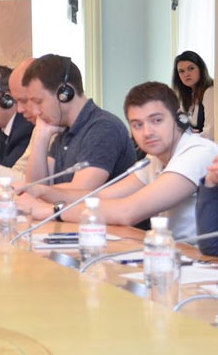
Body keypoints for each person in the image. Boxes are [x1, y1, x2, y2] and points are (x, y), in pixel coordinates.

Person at [19, 82, 218, 239]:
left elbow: (128, 211)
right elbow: (100, 197)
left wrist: (48, 210)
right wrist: (42, 191)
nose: (147, 132)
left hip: (203, 263)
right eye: (137, 125)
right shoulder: (154, 160)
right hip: (172, 256)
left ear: (180, 119)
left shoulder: (198, 153)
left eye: (157, 120)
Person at [20, 54, 137, 195]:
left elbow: (79, 193)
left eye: (39, 101)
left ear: (64, 93)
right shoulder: (64, 131)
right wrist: (41, 136)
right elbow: (35, 187)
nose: (35, 111)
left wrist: (38, 191)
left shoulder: (104, 128)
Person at [174, 50, 214, 140]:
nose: (186, 74)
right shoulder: (187, 95)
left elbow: (210, 133)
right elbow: (180, 127)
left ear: (201, 69)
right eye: (181, 71)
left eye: (191, 68)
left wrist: (191, 136)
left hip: (207, 146)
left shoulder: (210, 91)